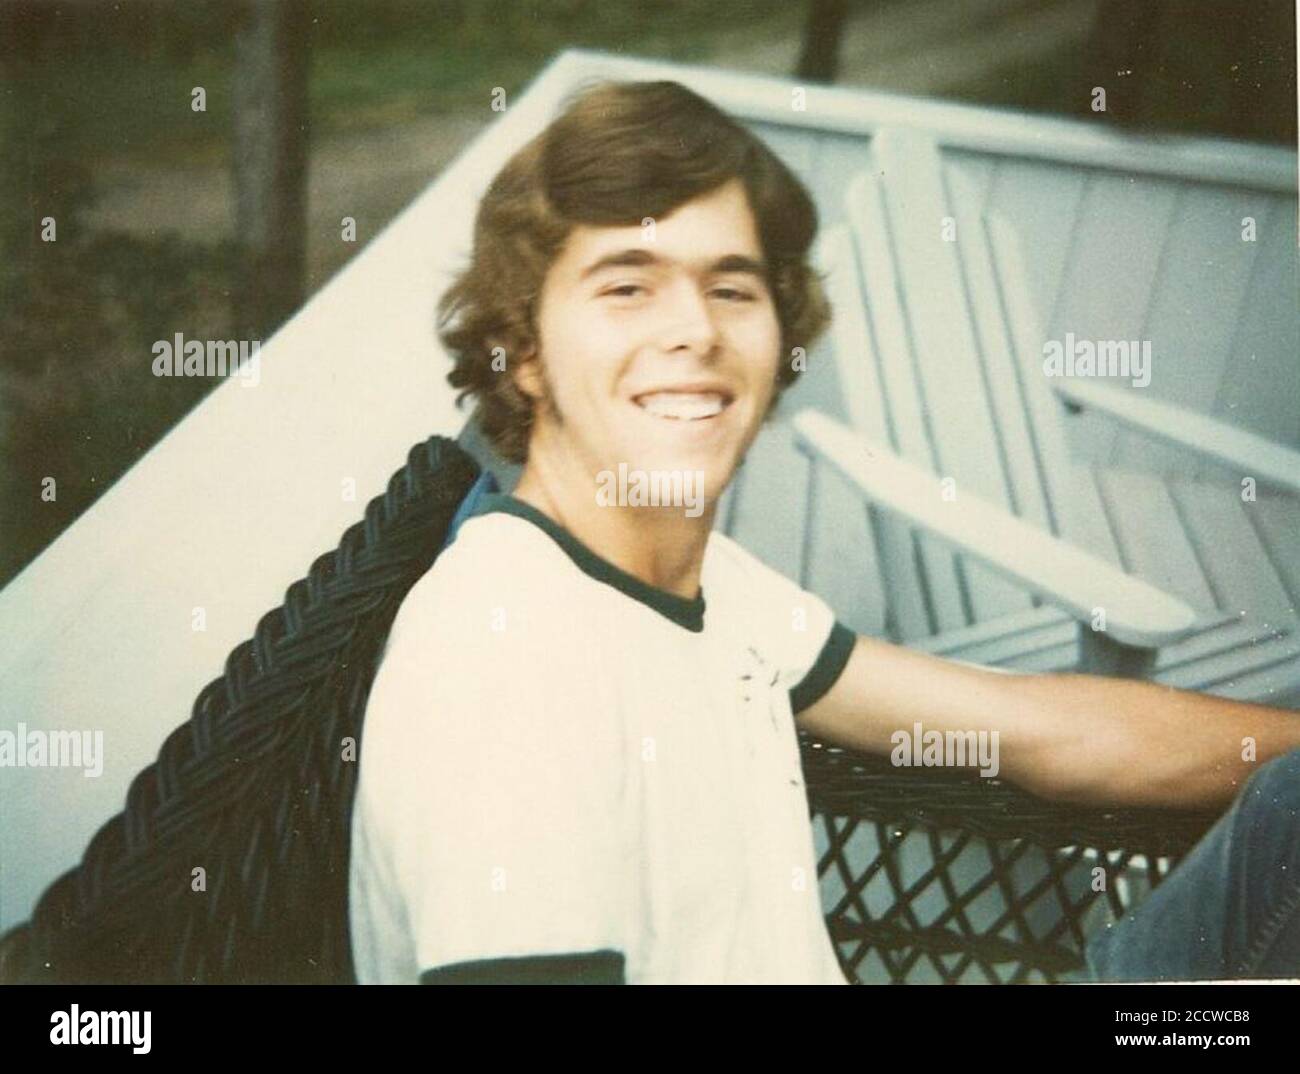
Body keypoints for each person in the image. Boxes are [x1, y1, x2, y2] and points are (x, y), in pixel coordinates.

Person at [347, 78, 1300, 985]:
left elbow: (1046, 733)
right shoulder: (503, 663)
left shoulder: (711, 588)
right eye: (626, 287)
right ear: (522, 353)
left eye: (731, 289)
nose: (695, 330)